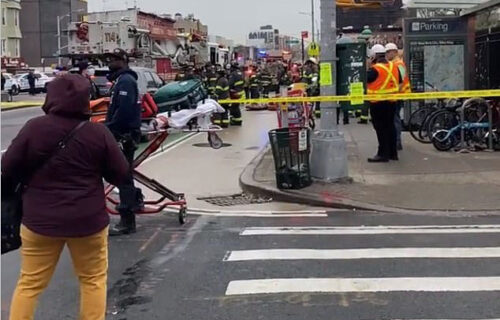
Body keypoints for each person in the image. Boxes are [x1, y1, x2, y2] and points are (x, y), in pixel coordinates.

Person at [2, 74, 129, 320]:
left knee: (30, 283)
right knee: (92, 280)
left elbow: (7, 168)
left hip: (40, 220)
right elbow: (120, 174)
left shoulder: (34, 128)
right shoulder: (98, 133)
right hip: (88, 221)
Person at [104, 48, 143, 235]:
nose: (110, 62)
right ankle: (134, 202)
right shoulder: (120, 81)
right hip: (121, 133)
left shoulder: (126, 81)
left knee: (122, 176)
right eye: (109, 59)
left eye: (115, 59)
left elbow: (125, 111)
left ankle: (128, 220)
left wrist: (111, 130)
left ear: (124, 61)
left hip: (124, 135)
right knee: (122, 175)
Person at [366, 44, 401, 163]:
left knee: (381, 129)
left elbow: (366, 79)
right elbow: (400, 79)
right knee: (390, 127)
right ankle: (393, 153)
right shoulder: (394, 66)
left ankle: (382, 154)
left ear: (374, 56)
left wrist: (368, 65)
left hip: (378, 103)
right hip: (392, 102)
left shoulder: (375, 69)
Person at [386, 42, 411, 150]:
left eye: (388, 52)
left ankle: (397, 142)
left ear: (394, 52)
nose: (387, 54)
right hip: (398, 94)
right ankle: (396, 141)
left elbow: (400, 80)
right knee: (394, 118)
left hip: (398, 95)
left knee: (395, 119)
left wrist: (395, 92)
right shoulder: (395, 63)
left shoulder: (398, 64)